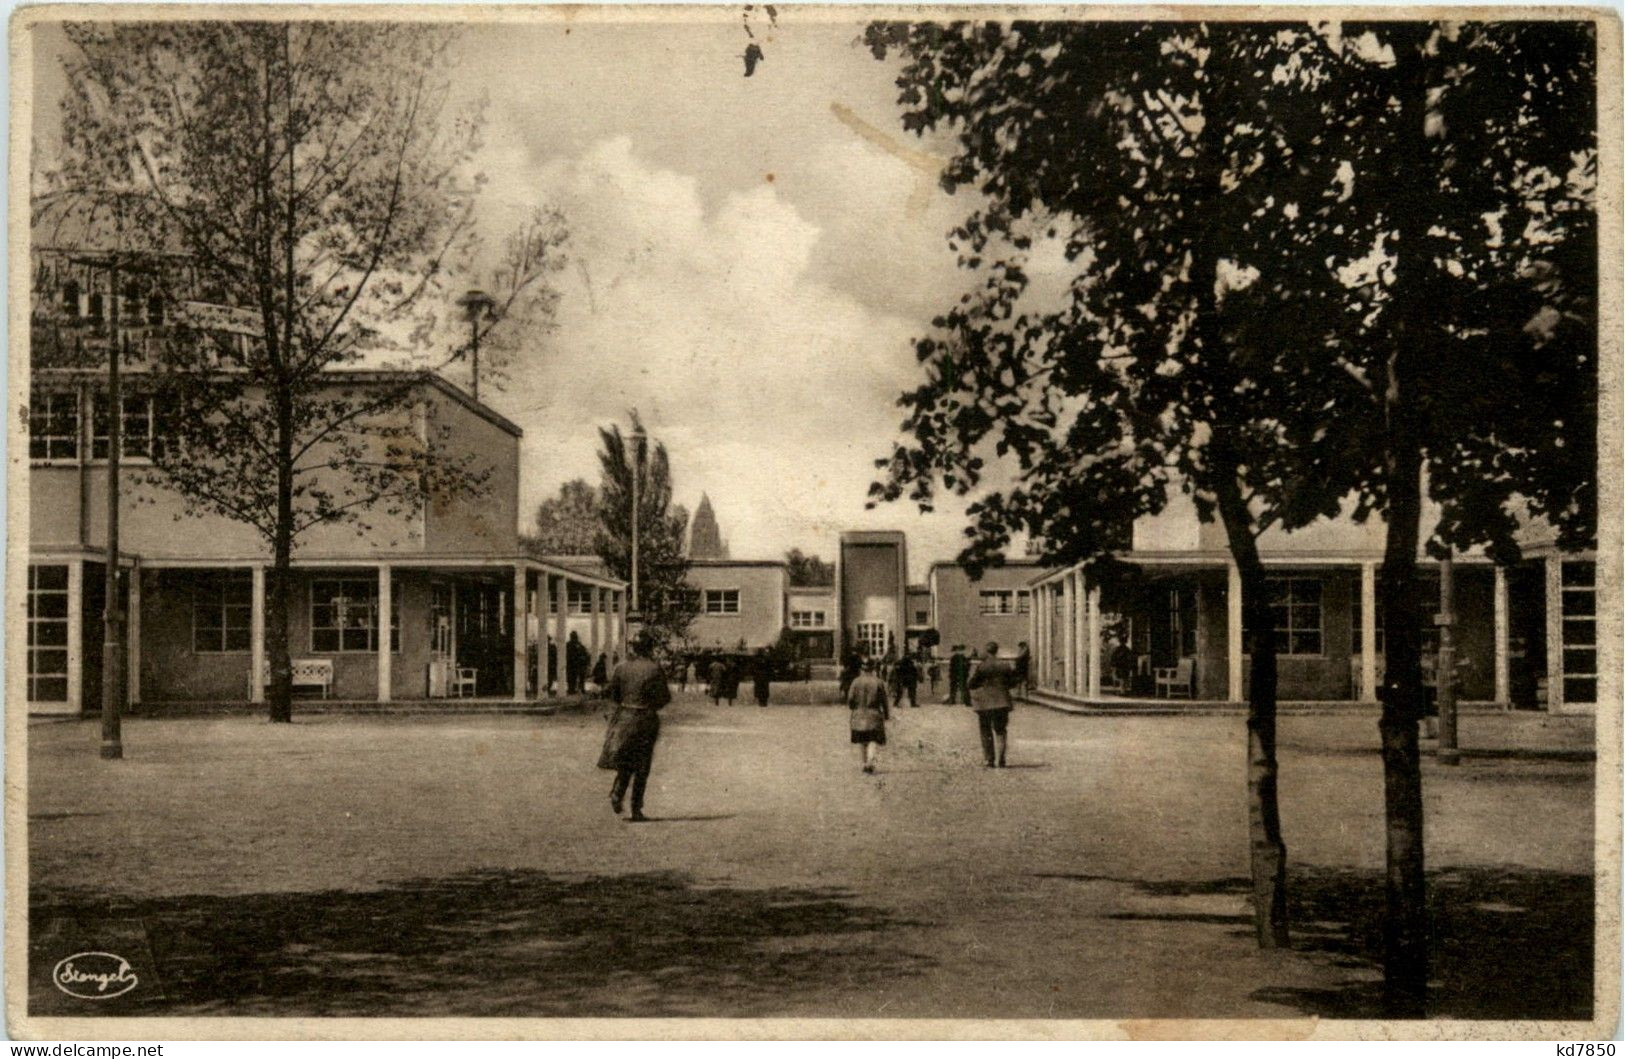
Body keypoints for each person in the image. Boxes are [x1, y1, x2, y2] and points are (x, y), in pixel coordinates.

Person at [597, 633, 672, 822]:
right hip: (645, 718)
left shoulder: (621, 668)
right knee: (642, 765)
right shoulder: (655, 669)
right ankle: (636, 809)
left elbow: (613, 694)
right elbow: (664, 697)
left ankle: (617, 792)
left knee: (625, 759)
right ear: (649, 647)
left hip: (624, 717)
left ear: (633, 648)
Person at [967, 640, 1017, 768]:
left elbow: (972, 684)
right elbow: (1013, 683)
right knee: (1001, 730)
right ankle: (1001, 759)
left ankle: (989, 760)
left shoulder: (982, 666)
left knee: (985, 730)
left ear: (986, 651)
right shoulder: (1005, 665)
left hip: (985, 704)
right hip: (1002, 702)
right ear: (996, 651)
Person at [846, 657, 890, 774]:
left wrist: (853, 707)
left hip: (859, 714)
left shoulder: (855, 682)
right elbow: (884, 700)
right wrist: (886, 714)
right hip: (874, 714)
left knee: (861, 740)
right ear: (873, 668)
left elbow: (850, 699)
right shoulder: (878, 682)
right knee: (872, 739)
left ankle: (864, 763)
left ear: (862, 668)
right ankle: (870, 762)